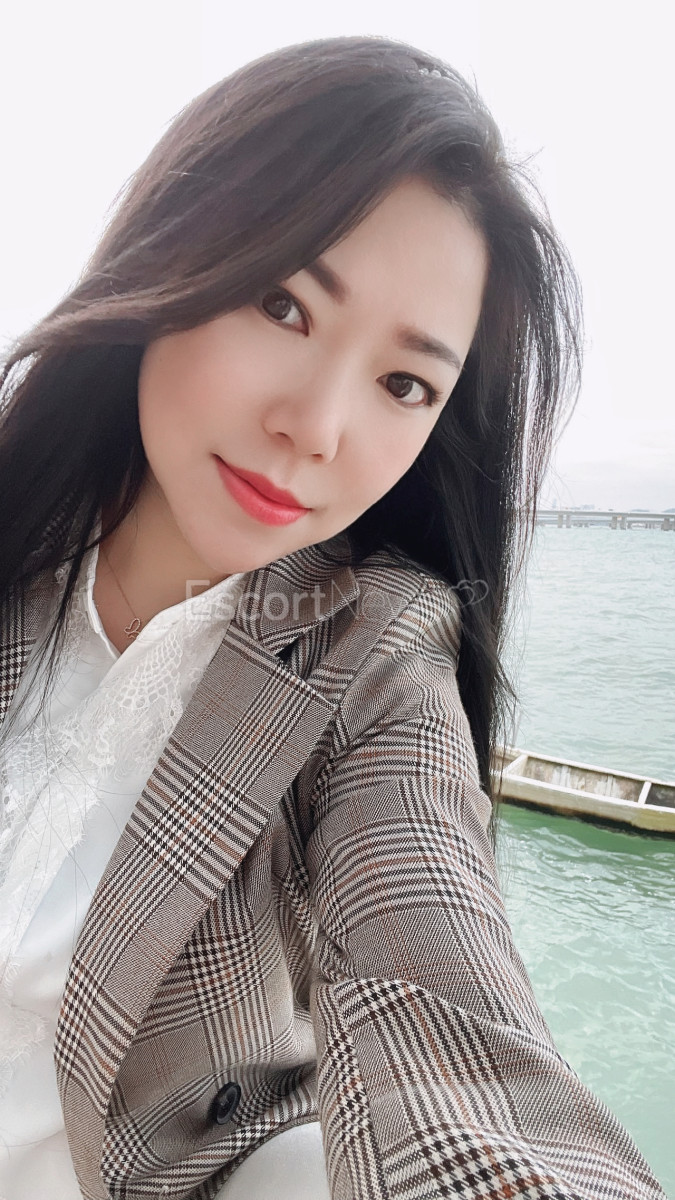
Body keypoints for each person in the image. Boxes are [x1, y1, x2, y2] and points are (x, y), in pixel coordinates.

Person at [0, 34, 666, 1200]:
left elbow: (446, 998)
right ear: (175, 251)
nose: (315, 428)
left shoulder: (373, 650)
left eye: (404, 384)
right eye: (284, 305)